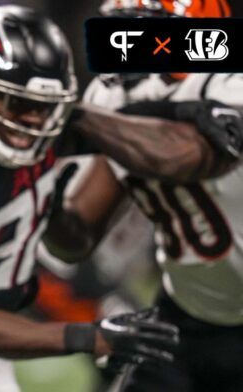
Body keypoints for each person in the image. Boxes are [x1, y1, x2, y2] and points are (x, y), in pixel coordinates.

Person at [0, 5, 241, 391]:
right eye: (15, 104)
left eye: (44, 108)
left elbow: (140, 140)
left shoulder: (41, 123)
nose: (29, 124)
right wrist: (90, 336)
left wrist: (177, 108)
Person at [44, 1, 243, 391]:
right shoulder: (111, 96)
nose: (127, 45)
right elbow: (76, 238)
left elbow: (182, 157)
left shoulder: (228, 80)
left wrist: (78, 117)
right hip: (188, 314)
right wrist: (45, 202)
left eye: (146, 33)